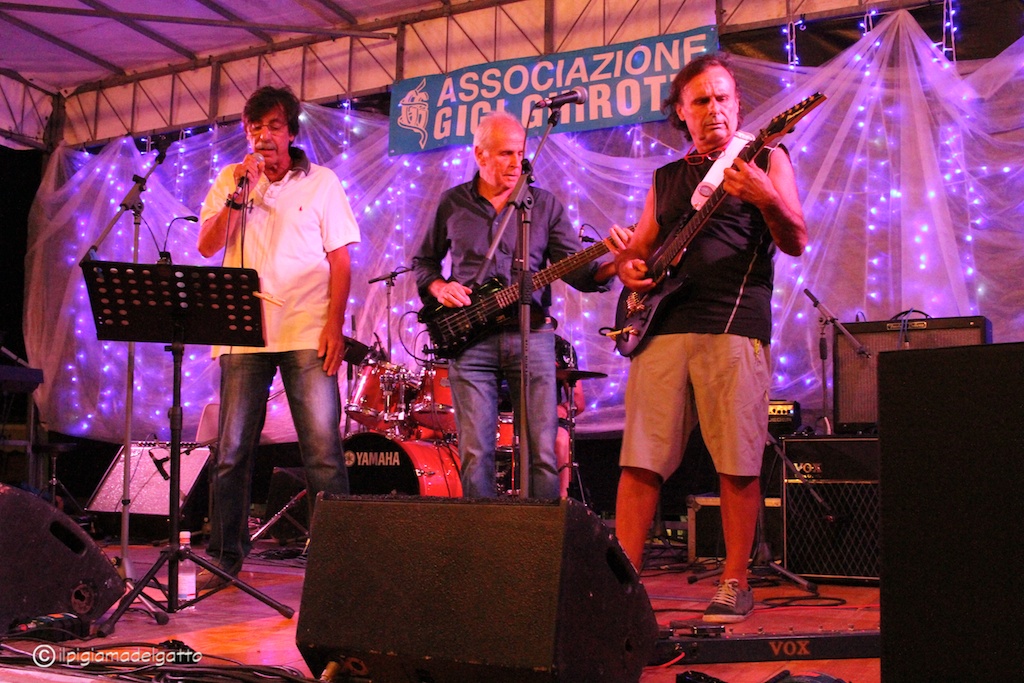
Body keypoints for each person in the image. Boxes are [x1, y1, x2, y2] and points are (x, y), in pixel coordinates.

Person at [613, 53, 807, 622]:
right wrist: (629, 268)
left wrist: (765, 196)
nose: (714, 109)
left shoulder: (766, 156)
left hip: (733, 322)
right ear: (681, 111)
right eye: (701, 100)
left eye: (723, 98)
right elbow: (639, 252)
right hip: (663, 329)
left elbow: (796, 239)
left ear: (738, 104)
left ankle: (734, 582)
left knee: (737, 461)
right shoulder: (666, 178)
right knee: (640, 461)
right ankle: (622, 588)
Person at [412, 110, 629, 499]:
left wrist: (614, 261)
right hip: (470, 340)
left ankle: (540, 533)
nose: (517, 162)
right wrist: (440, 287)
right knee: (475, 453)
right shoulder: (453, 202)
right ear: (479, 155)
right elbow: (423, 262)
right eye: (505, 154)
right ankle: (481, 533)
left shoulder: (542, 205)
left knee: (542, 451)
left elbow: (579, 273)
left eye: (520, 153)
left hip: (532, 336)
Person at [196, 85, 360, 589]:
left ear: (290, 132)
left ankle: (339, 564)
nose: (263, 135)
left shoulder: (322, 182)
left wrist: (334, 325)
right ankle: (224, 557)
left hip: (307, 329)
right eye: (254, 127)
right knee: (231, 451)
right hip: (242, 334)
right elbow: (206, 246)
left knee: (322, 451)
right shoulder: (232, 179)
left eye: (272, 126)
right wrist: (239, 193)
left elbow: (341, 260)